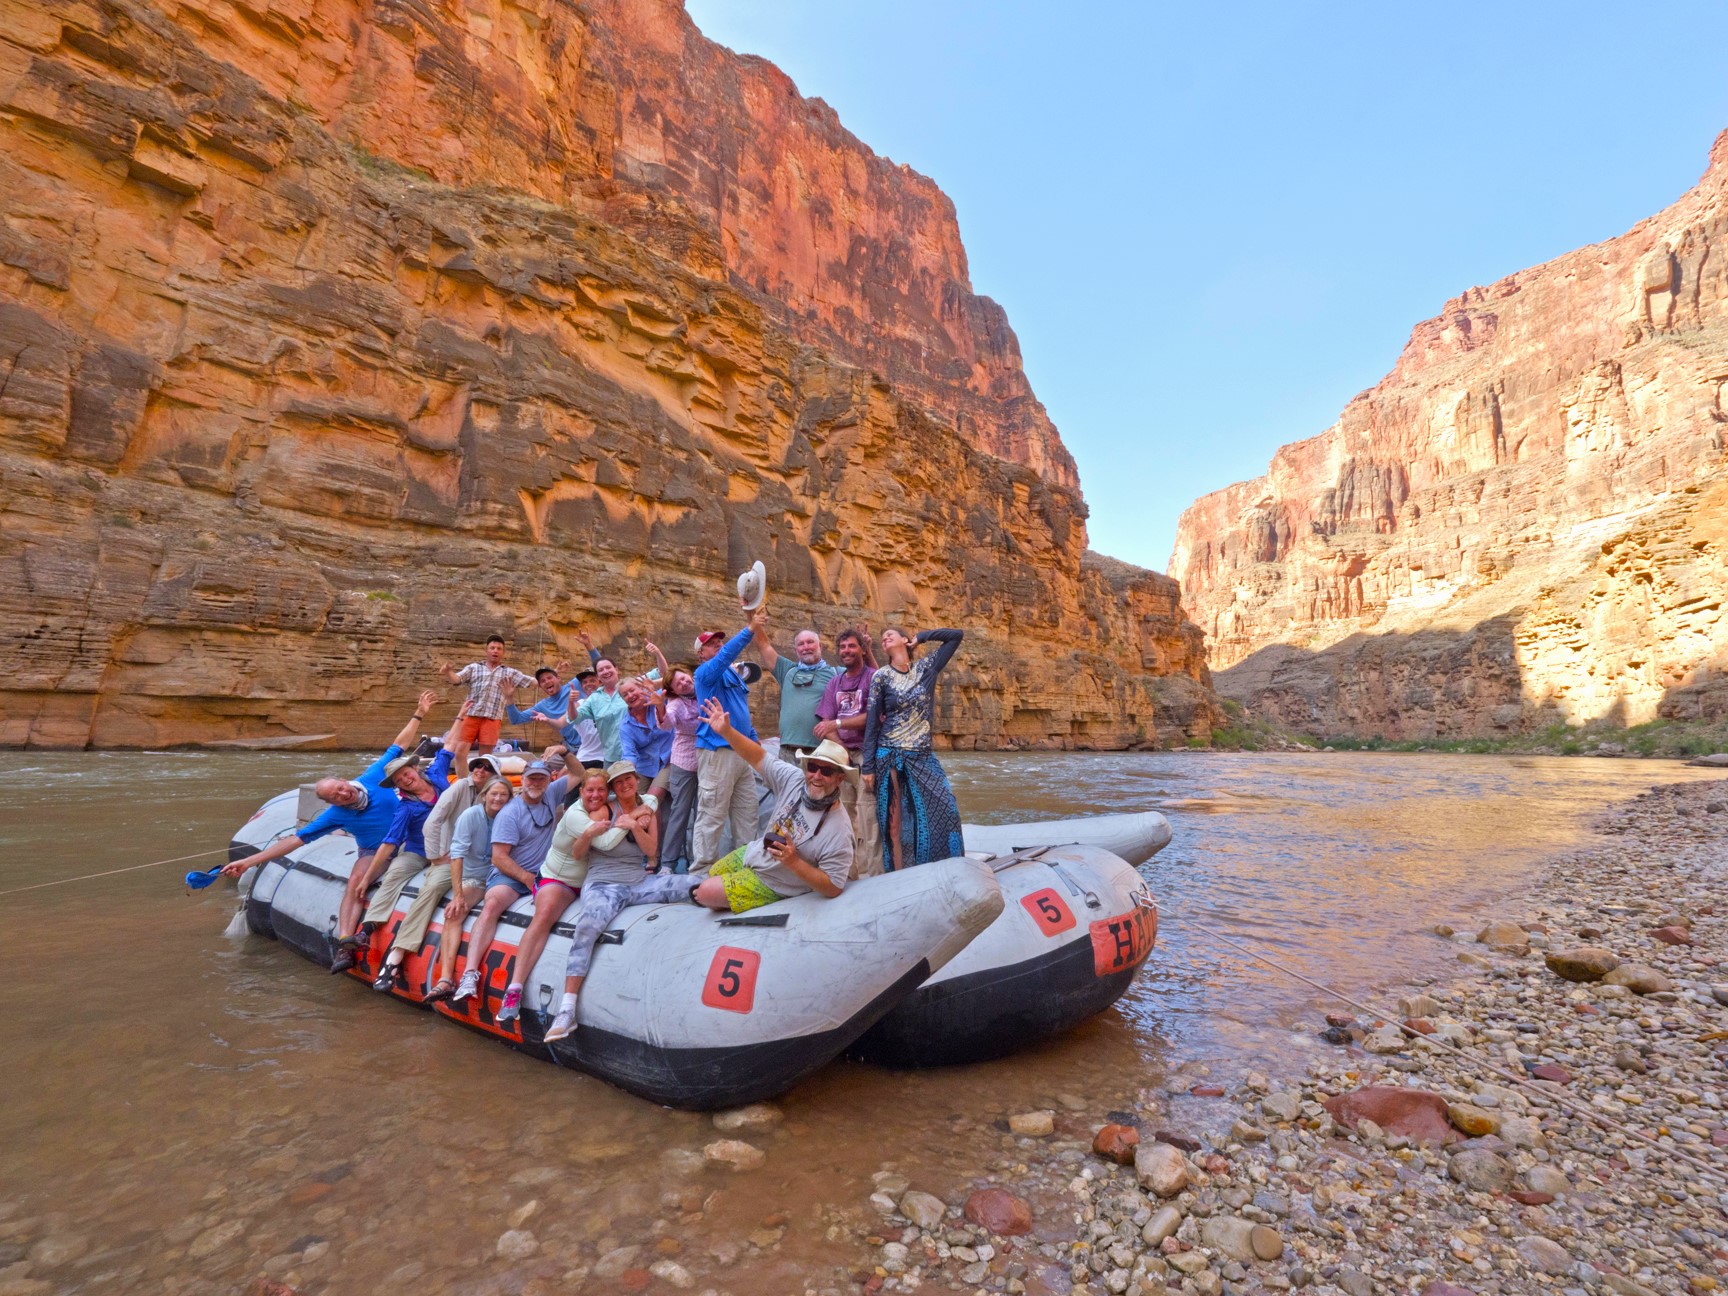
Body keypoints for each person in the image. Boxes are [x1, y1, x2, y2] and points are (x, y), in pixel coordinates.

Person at [542, 765, 694, 1044]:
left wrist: (635, 823)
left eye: (628, 779)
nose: (624, 785)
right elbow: (591, 849)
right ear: (613, 787)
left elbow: (651, 851)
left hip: (639, 881)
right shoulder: (604, 811)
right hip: (604, 883)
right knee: (587, 926)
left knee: (692, 883)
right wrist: (623, 821)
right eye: (618, 782)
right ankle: (566, 1009)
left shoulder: (647, 807)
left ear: (637, 781)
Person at [509, 761, 661, 1034]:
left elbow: (648, 798)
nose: (595, 796)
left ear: (609, 792)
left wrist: (644, 809)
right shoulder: (578, 815)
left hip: (594, 879)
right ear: (580, 791)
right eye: (590, 790)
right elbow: (602, 844)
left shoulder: (615, 803)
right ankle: (515, 987)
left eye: (601, 791)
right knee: (544, 918)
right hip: (563, 879)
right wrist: (637, 815)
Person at [218, 701, 422, 891]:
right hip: (374, 851)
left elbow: (398, 746)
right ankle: (347, 931)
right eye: (336, 796)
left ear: (344, 780)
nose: (343, 794)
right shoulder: (335, 815)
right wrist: (248, 861)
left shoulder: (372, 776)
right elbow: (296, 840)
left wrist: (419, 713)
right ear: (330, 803)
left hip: (407, 840)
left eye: (340, 788)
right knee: (355, 884)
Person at [684, 698, 856, 917]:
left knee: (704, 893)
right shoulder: (794, 780)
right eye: (813, 767)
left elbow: (833, 886)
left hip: (777, 881)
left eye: (827, 771)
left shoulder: (839, 828)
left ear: (840, 778)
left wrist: (794, 863)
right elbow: (758, 757)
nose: (817, 776)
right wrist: (727, 732)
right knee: (712, 873)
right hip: (757, 852)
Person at [340, 707, 462, 985]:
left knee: (427, 888)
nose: (406, 779)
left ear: (414, 770)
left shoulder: (438, 775)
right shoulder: (405, 809)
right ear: (398, 785)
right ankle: (367, 930)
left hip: (448, 850)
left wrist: (460, 716)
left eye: (406, 773)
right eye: (399, 780)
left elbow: (451, 745)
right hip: (418, 851)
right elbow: (389, 843)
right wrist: (368, 877)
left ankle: (394, 955)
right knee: (394, 873)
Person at [369, 747, 501, 991]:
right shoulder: (460, 787)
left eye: (488, 768)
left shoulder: (501, 796)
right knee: (430, 891)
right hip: (452, 858)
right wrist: (436, 856)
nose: (482, 771)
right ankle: (394, 959)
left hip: (482, 865)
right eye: (478, 766)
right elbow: (433, 822)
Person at [451, 760, 557, 1009]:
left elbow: (576, 773)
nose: (536, 783)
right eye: (531, 778)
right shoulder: (510, 813)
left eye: (541, 778)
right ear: (524, 780)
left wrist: (563, 749)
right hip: (512, 874)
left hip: (544, 872)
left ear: (549, 780)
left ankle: (516, 985)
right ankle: (469, 973)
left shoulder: (552, 796)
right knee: (492, 904)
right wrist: (527, 879)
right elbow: (499, 858)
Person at [861, 628, 965, 872]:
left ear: (904, 640)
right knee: (894, 825)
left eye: (890, 634)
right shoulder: (882, 677)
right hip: (889, 754)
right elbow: (872, 723)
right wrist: (868, 766)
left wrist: (923, 636)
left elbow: (956, 636)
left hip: (922, 755)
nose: (885, 637)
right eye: (882, 636)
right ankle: (898, 876)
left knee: (946, 810)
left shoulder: (926, 668)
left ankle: (945, 869)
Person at [425, 776, 514, 1003]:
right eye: (494, 794)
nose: (498, 799)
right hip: (475, 876)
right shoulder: (471, 816)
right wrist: (458, 895)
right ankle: (446, 978)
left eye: (503, 795)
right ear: (484, 795)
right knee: (455, 913)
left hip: (500, 874)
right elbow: (457, 855)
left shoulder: (511, 816)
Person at [691, 608, 762, 868]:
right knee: (712, 814)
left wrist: (754, 741)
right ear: (701, 654)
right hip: (717, 751)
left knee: (747, 813)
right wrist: (751, 628)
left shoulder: (732, 674)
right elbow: (726, 656)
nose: (718, 645)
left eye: (719, 641)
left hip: (742, 751)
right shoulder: (704, 674)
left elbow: (739, 709)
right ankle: (700, 873)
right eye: (711, 644)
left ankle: (746, 866)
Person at [814, 627, 883, 878]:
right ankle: (850, 875)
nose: (846, 651)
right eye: (843, 647)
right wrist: (842, 748)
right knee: (844, 817)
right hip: (842, 759)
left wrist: (839, 725)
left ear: (862, 649)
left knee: (869, 818)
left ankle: (873, 877)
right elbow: (824, 723)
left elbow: (875, 716)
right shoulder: (835, 682)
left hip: (868, 755)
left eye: (852, 646)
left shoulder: (872, 678)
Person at [440, 635, 535, 772]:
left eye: (499, 649)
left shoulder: (509, 672)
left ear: (503, 653)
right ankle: (465, 783)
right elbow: (457, 679)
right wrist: (448, 672)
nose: (495, 651)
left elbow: (532, 682)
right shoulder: (474, 668)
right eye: (492, 648)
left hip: (492, 718)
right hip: (471, 715)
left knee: (485, 758)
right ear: (486, 651)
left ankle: (481, 784)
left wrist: (554, 674)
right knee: (460, 753)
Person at [757, 619, 838, 763]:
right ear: (796, 650)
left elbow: (871, 677)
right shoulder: (787, 670)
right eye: (801, 644)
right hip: (788, 752)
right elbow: (763, 645)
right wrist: (751, 613)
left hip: (820, 752)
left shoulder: (836, 673)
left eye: (810, 642)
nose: (806, 647)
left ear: (821, 646)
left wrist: (866, 651)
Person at [660, 665, 701, 873]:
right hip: (684, 762)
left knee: (703, 812)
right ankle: (668, 863)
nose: (684, 683)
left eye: (684, 678)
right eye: (678, 683)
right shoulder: (675, 704)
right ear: (674, 690)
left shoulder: (703, 689)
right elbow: (667, 723)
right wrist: (660, 705)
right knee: (680, 812)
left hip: (708, 759)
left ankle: (699, 860)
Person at [569, 655, 629, 764]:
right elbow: (575, 718)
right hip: (611, 756)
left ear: (616, 669)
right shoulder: (593, 699)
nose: (605, 671)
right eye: (601, 670)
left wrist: (657, 653)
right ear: (599, 676)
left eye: (608, 667)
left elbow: (661, 674)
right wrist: (571, 702)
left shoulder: (629, 687)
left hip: (636, 752)